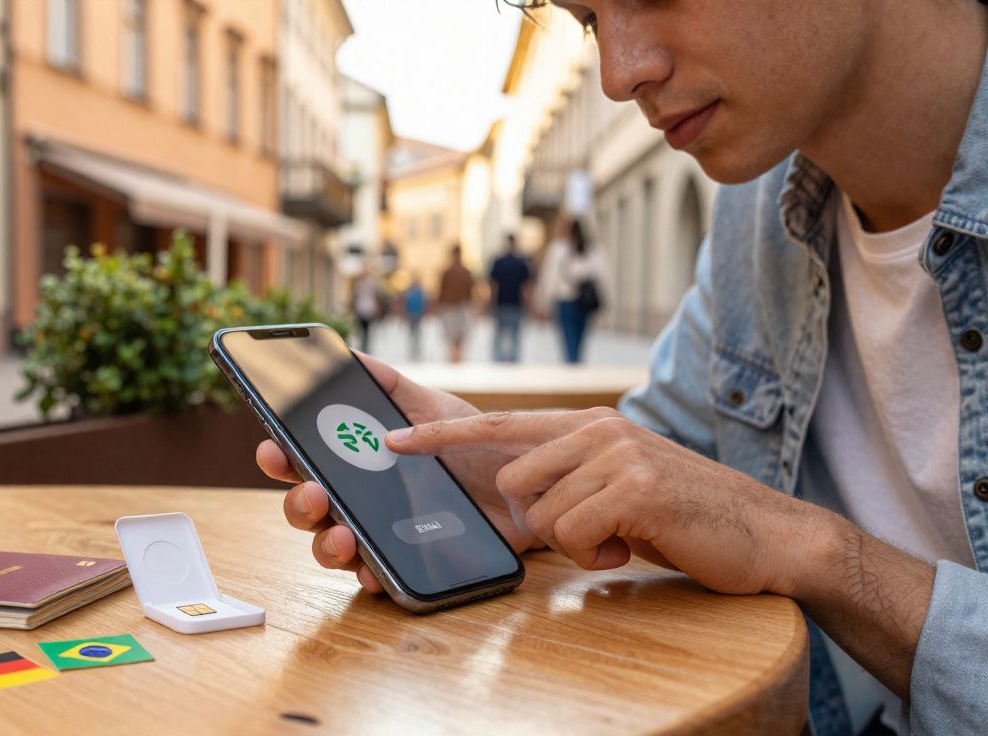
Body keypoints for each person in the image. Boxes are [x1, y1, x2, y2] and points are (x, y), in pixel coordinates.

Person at [256, 1, 988, 733]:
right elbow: (666, 454)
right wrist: (514, 476)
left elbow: (756, 522)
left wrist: (816, 553)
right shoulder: (759, 212)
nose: (618, 73)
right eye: (589, 21)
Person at [537, 218, 606, 364]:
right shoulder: (592, 250)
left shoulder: (557, 249)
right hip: (584, 301)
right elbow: (601, 275)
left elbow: (549, 278)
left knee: (568, 339)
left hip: (565, 300)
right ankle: (576, 363)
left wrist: (544, 303)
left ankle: (571, 365)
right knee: (580, 339)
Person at [488, 233, 533, 362]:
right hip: (515, 304)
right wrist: (528, 304)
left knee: (499, 337)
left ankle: (499, 363)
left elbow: (493, 286)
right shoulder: (521, 264)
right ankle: (513, 363)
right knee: (515, 337)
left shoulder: (498, 262)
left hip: (502, 303)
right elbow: (526, 288)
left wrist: (491, 303)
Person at [435, 244, 475, 363]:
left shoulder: (451, 272)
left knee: (455, 337)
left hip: (454, 308)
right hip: (454, 307)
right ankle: (456, 360)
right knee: (456, 338)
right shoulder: (462, 271)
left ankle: (455, 360)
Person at [351, 269, 380, 353]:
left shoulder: (368, 284)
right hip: (364, 308)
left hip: (367, 308)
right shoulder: (361, 284)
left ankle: (364, 345)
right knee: (363, 329)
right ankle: (364, 345)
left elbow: (375, 296)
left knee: (365, 329)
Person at [402, 274, 427, 362]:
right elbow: (407, 303)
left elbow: (423, 303)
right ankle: (414, 348)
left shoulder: (417, 291)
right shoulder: (416, 291)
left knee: (415, 331)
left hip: (416, 313)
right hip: (413, 313)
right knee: (414, 331)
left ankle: (415, 348)